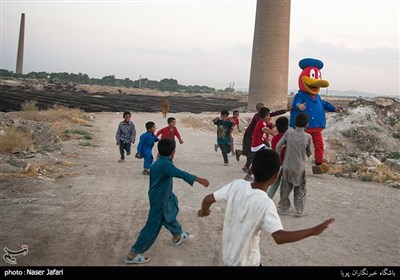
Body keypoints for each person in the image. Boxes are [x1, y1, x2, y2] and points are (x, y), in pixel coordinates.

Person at [197, 149, 335, 266]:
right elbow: (279, 237)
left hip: (229, 258)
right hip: (249, 263)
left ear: (252, 169)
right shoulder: (265, 203)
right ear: (276, 176)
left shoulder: (236, 185)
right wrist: (312, 231)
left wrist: (204, 211)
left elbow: (208, 199)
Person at [125, 138, 209, 264]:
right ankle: (133, 254)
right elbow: (180, 173)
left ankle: (177, 235)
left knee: (170, 210)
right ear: (173, 152)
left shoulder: (160, 161)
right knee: (152, 226)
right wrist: (199, 179)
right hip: (160, 199)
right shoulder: (166, 165)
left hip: (162, 196)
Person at [290, 58, 342, 174]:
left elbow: (324, 104)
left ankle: (318, 164)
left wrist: (333, 108)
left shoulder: (317, 97)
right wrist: (298, 106)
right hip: (304, 127)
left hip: (317, 126)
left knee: (319, 145)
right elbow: (295, 103)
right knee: (302, 147)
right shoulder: (300, 95)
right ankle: (296, 165)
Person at [235, 103, 289, 173]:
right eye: (262, 109)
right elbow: (266, 129)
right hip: (250, 136)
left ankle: (241, 154)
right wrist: (277, 133)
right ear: (258, 111)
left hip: (258, 139)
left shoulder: (264, 117)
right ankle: (247, 167)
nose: (268, 115)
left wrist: (286, 110)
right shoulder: (258, 118)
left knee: (259, 153)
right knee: (254, 153)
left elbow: (273, 115)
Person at [276, 112, 312, 217]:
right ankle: (299, 210)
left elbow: (278, 146)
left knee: (285, 189)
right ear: (306, 124)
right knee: (300, 189)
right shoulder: (307, 137)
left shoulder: (288, 133)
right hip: (299, 168)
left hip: (287, 166)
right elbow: (309, 153)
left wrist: (279, 159)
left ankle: (283, 208)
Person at [244, 107, 276, 181]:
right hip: (258, 145)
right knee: (272, 155)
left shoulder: (263, 122)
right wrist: (277, 133)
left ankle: (248, 176)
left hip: (257, 145)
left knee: (256, 162)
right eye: (268, 115)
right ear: (266, 115)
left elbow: (271, 128)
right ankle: (267, 175)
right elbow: (267, 131)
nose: (269, 117)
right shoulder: (261, 123)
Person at [267, 116, 289, 198]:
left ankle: (268, 198)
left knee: (275, 184)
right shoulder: (289, 137)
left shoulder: (275, 138)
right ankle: (284, 202)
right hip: (287, 164)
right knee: (287, 185)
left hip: (278, 164)